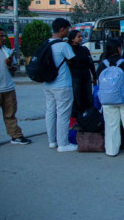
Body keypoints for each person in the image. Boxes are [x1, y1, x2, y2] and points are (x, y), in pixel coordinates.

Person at [97, 39, 124, 156]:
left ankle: (111, 150)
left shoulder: (102, 64)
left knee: (111, 125)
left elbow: (98, 81)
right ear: (119, 49)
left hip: (107, 99)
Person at [43, 18, 77, 152]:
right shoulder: (63, 45)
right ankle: (63, 144)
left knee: (50, 112)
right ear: (62, 29)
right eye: (68, 29)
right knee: (63, 114)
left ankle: (52, 141)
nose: (69, 31)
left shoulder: (46, 43)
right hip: (62, 84)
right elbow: (73, 61)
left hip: (48, 84)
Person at [67, 30, 97, 118]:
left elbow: (90, 63)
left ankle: (88, 116)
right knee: (77, 98)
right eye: (78, 37)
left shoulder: (84, 49)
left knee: (88, 97)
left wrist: (94, 76)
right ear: (72, 39)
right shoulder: (68, 49)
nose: (81, 38)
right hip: (75, 77)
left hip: (86, 76)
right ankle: (78, 117)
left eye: (81, 36)